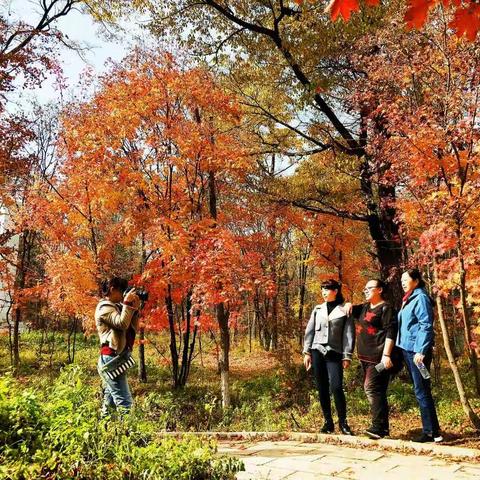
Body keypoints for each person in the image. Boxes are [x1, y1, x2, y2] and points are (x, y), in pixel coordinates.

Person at [303, 279, 355, 435]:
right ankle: (328, 422)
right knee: (322, 388)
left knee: (337, 387)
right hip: (317, 351)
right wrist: (306, 352)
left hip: (335, 353)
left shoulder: (344, 310)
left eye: (327, 289)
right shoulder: (317, 309)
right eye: (322, 290)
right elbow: (309, 331)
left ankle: (343, 423)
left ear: (335, 291)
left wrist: (347, 356)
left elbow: (348, 335)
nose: (324, 293)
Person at [397, 268, 442, 443]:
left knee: (422, 389)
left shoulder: (420, 298)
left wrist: (421, 350)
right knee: (422, 388)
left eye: (405, 279)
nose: (402, 283)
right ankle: (434, 431)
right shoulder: (408, 298)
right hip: (407, 350)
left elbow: (426, 325)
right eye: (401, 280)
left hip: (417, 353)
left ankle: (431, 432)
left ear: (416, 281)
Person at [350, 279, 398, 439]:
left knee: (371, 387)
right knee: (378, 390)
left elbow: (391, 332)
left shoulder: (386, 308)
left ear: (379, 290)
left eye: (369, 288)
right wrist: (347, 304)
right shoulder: (363, 308)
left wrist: (386, 355)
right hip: (364, 358)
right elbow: (345, 307)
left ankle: (377, 426)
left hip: (378, 359)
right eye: (364, 288)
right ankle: (382, 429)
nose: (365, 290)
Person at [96, 276, 140, 416]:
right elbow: (121, 324)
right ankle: (131, 435)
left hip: (117, 357)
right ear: (112, 289)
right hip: (111, 358)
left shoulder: (118, 307)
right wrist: (126, 303)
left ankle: (102, 431)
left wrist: (134, 309)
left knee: (109, 402)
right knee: (125, 402)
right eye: (122, 291)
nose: (123, 295)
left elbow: (132, 328)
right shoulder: (104, 307)